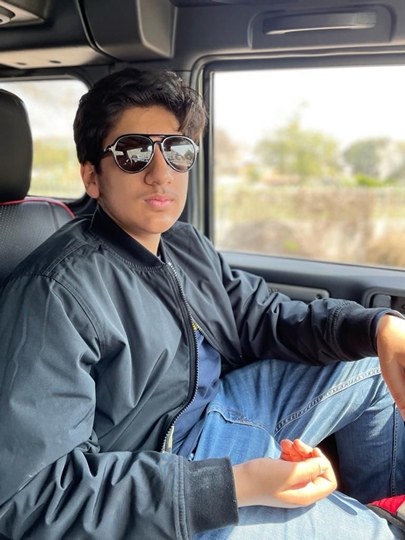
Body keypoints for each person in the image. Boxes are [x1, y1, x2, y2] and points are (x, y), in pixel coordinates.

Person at [0, 67, 405, 540]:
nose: (160, 173)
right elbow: (31, 495)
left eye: (177, 151)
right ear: (92, 177)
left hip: (216, 408)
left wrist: (376, 327)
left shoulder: (183, 243)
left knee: (374, 359)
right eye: (133, 153)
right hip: (162, 474)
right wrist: (232, 486)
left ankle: (385, 504)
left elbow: (265, 317)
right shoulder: (55, 292)